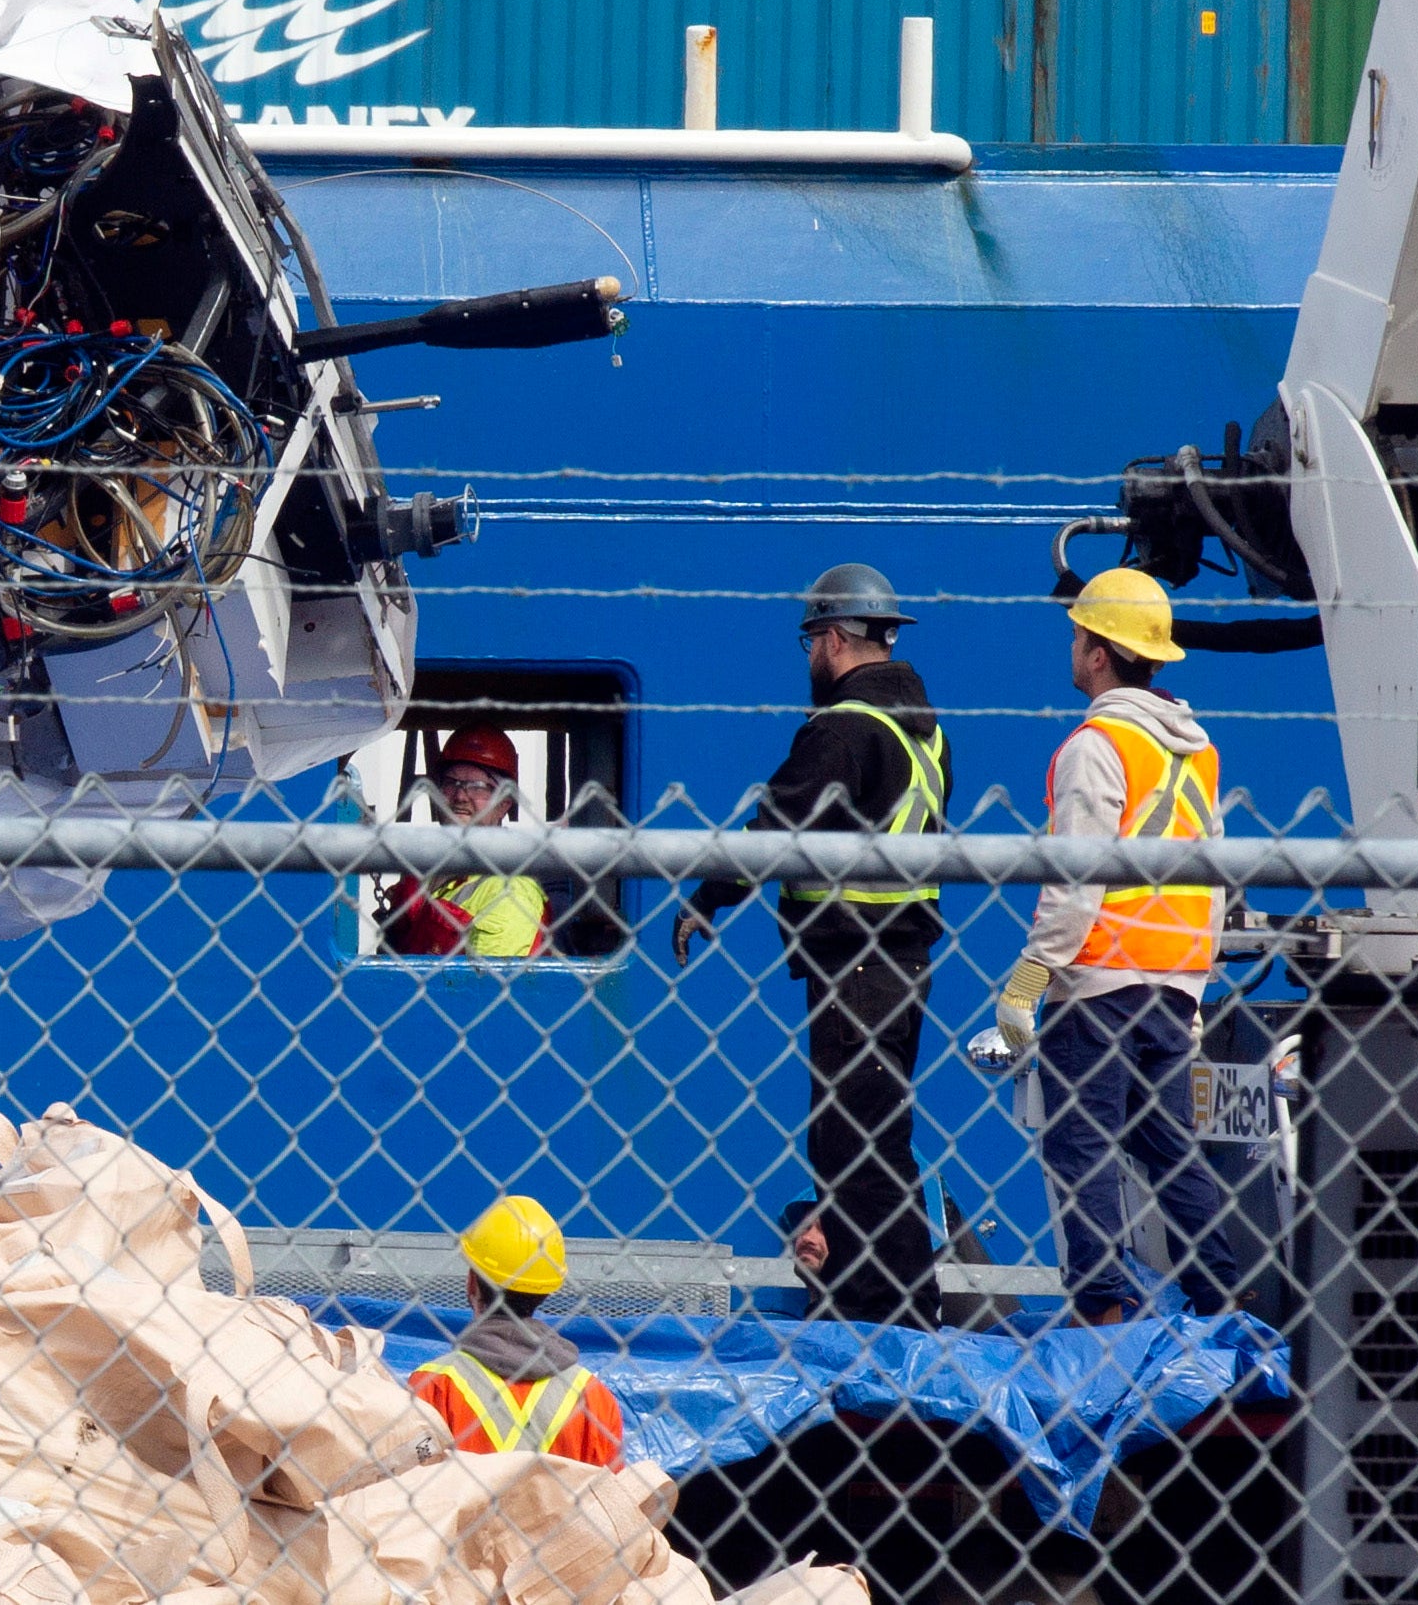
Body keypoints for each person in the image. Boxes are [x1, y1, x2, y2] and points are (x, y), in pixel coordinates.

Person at [669, 563, 952, 1329]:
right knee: (876, 1135)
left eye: (810, 642)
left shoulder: (842, 729)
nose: (809, 660)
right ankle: (899, 1303)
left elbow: (777, 826)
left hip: (855, 960)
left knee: (847, 1140)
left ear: (832, 637)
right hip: (903, 958)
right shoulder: (922, 730)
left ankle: (877, 1309)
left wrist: (709, 899)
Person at [987, 565, 1240, 1325]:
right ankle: (1225, 1296)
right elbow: (1216, 873)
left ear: (1099, 652)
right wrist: (1197, 982)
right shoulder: (1196, 750)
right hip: (1170, 984)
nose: (1072, 648)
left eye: (1077, 635)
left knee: (1080, 1145)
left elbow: (1077, 876)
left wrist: (1031, 976)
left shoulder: (1095, 746)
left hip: (1097, 981)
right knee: (1167, 1148)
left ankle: (1104, 1305)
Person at [409, 1197, 625, 1467]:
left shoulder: (433, 1387)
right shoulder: (593, 1399)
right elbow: (610, 1505)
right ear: (545, 1292)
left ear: (471, 1284)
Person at [377, 727, 552, 957]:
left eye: (478, 787)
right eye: (452, 783)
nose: (460, 797)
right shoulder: (423, 869)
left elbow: (488, 988)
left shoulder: (511, 892)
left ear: (504, 803)